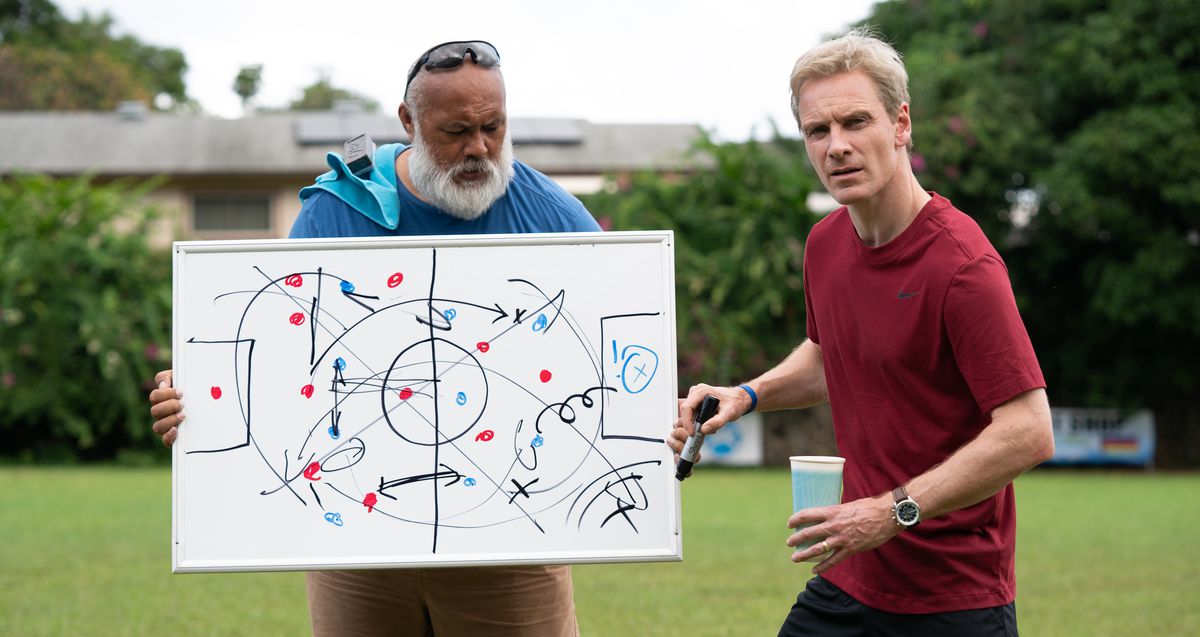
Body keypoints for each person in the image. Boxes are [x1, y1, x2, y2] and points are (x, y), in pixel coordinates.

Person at [150, 40, 598, 637]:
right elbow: (277, 351)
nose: (479, 148)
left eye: (493, 126)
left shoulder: (553, 215)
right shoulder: (336, 210)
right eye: (456, 130)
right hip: (356, 544)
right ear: (408, 123)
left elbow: (603, 346)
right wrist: (199, 399)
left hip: (509, 548)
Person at [669, 27, 1054, 637]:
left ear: (901, 124)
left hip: (953, 600)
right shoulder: (825, 243)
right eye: (817, 132)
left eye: (855, 122)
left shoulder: (963, 265)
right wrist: (744, 396)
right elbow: (829, 358)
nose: (836, 147)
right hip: (849, 578)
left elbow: (1029, 432)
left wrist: (890, 511)